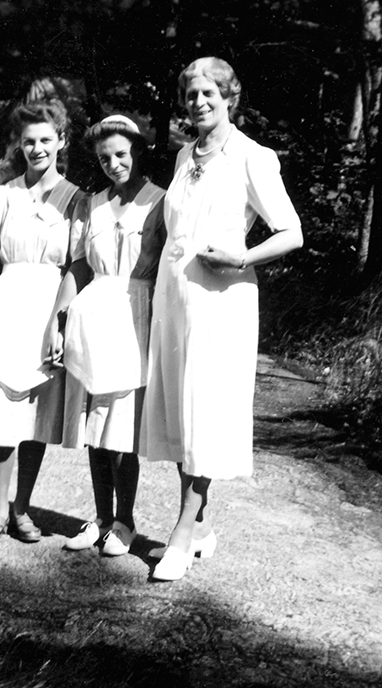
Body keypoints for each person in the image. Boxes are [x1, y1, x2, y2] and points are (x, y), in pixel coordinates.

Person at [144, 57, 302, 581]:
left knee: (204, 415)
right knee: (180, 415)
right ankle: (203, 524)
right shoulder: (186, 154)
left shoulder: (252, 157)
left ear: (230, 96)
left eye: (209, 92)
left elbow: (291, 232)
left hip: (221, 301)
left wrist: (242, 258)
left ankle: (182, 534)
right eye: (191, 94)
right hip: (175, 298)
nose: (199, 102)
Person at [0, 98, 87, 547]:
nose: (37, 149)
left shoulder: (77, 200)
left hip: (47, 309)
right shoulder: (2, 194)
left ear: (61, 142)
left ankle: (22, 507)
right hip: (6, 307)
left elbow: (76, 266)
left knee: (35, 419)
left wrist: (60, 321)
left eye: (46, 140)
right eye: (29, 141)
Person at [61, 114, 166, 556]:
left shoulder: (160, 201)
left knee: (122, 433)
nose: (113, 163)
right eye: (105, 157)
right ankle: (101, 516)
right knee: (95, 430)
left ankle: (126, 521)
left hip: (136, 315)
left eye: (121, 154)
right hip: (96, 314)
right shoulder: (93, 203)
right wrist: (60, 320)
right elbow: (79, 267)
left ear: (138, 151)